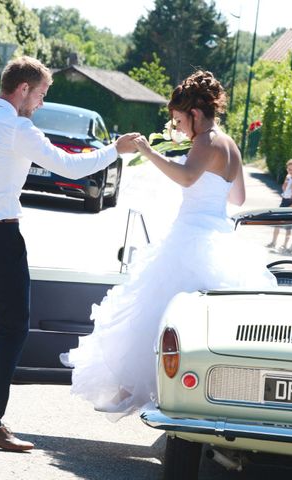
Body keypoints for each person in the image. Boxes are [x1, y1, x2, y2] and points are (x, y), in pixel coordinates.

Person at [0, 56, 138, 451]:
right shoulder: (18, 128)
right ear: (22, 89)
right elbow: (71, 167)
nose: (41, 104)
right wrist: (115, 148)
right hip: (1, 239)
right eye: (41, 94)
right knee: (12, 331)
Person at [61, 70, 276, 420]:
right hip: (220, 237)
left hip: (190, 238)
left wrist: (148, 151)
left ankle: (133, 389)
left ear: (194, 114)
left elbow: (188, 178)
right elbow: (237, 197)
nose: (178, 127)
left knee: (154, 313)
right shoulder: (230, 144)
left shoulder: (205, 141)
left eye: (179, 119)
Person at [266, 159, 292, 252]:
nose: (290, 171)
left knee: (288, 225)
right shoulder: (288, 176)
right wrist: (286, 181)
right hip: (284, 200)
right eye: (289, 169)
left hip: (291, 202)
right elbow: (284, 188)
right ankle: (273, 242)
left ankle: (285, 245)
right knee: (277, 222)